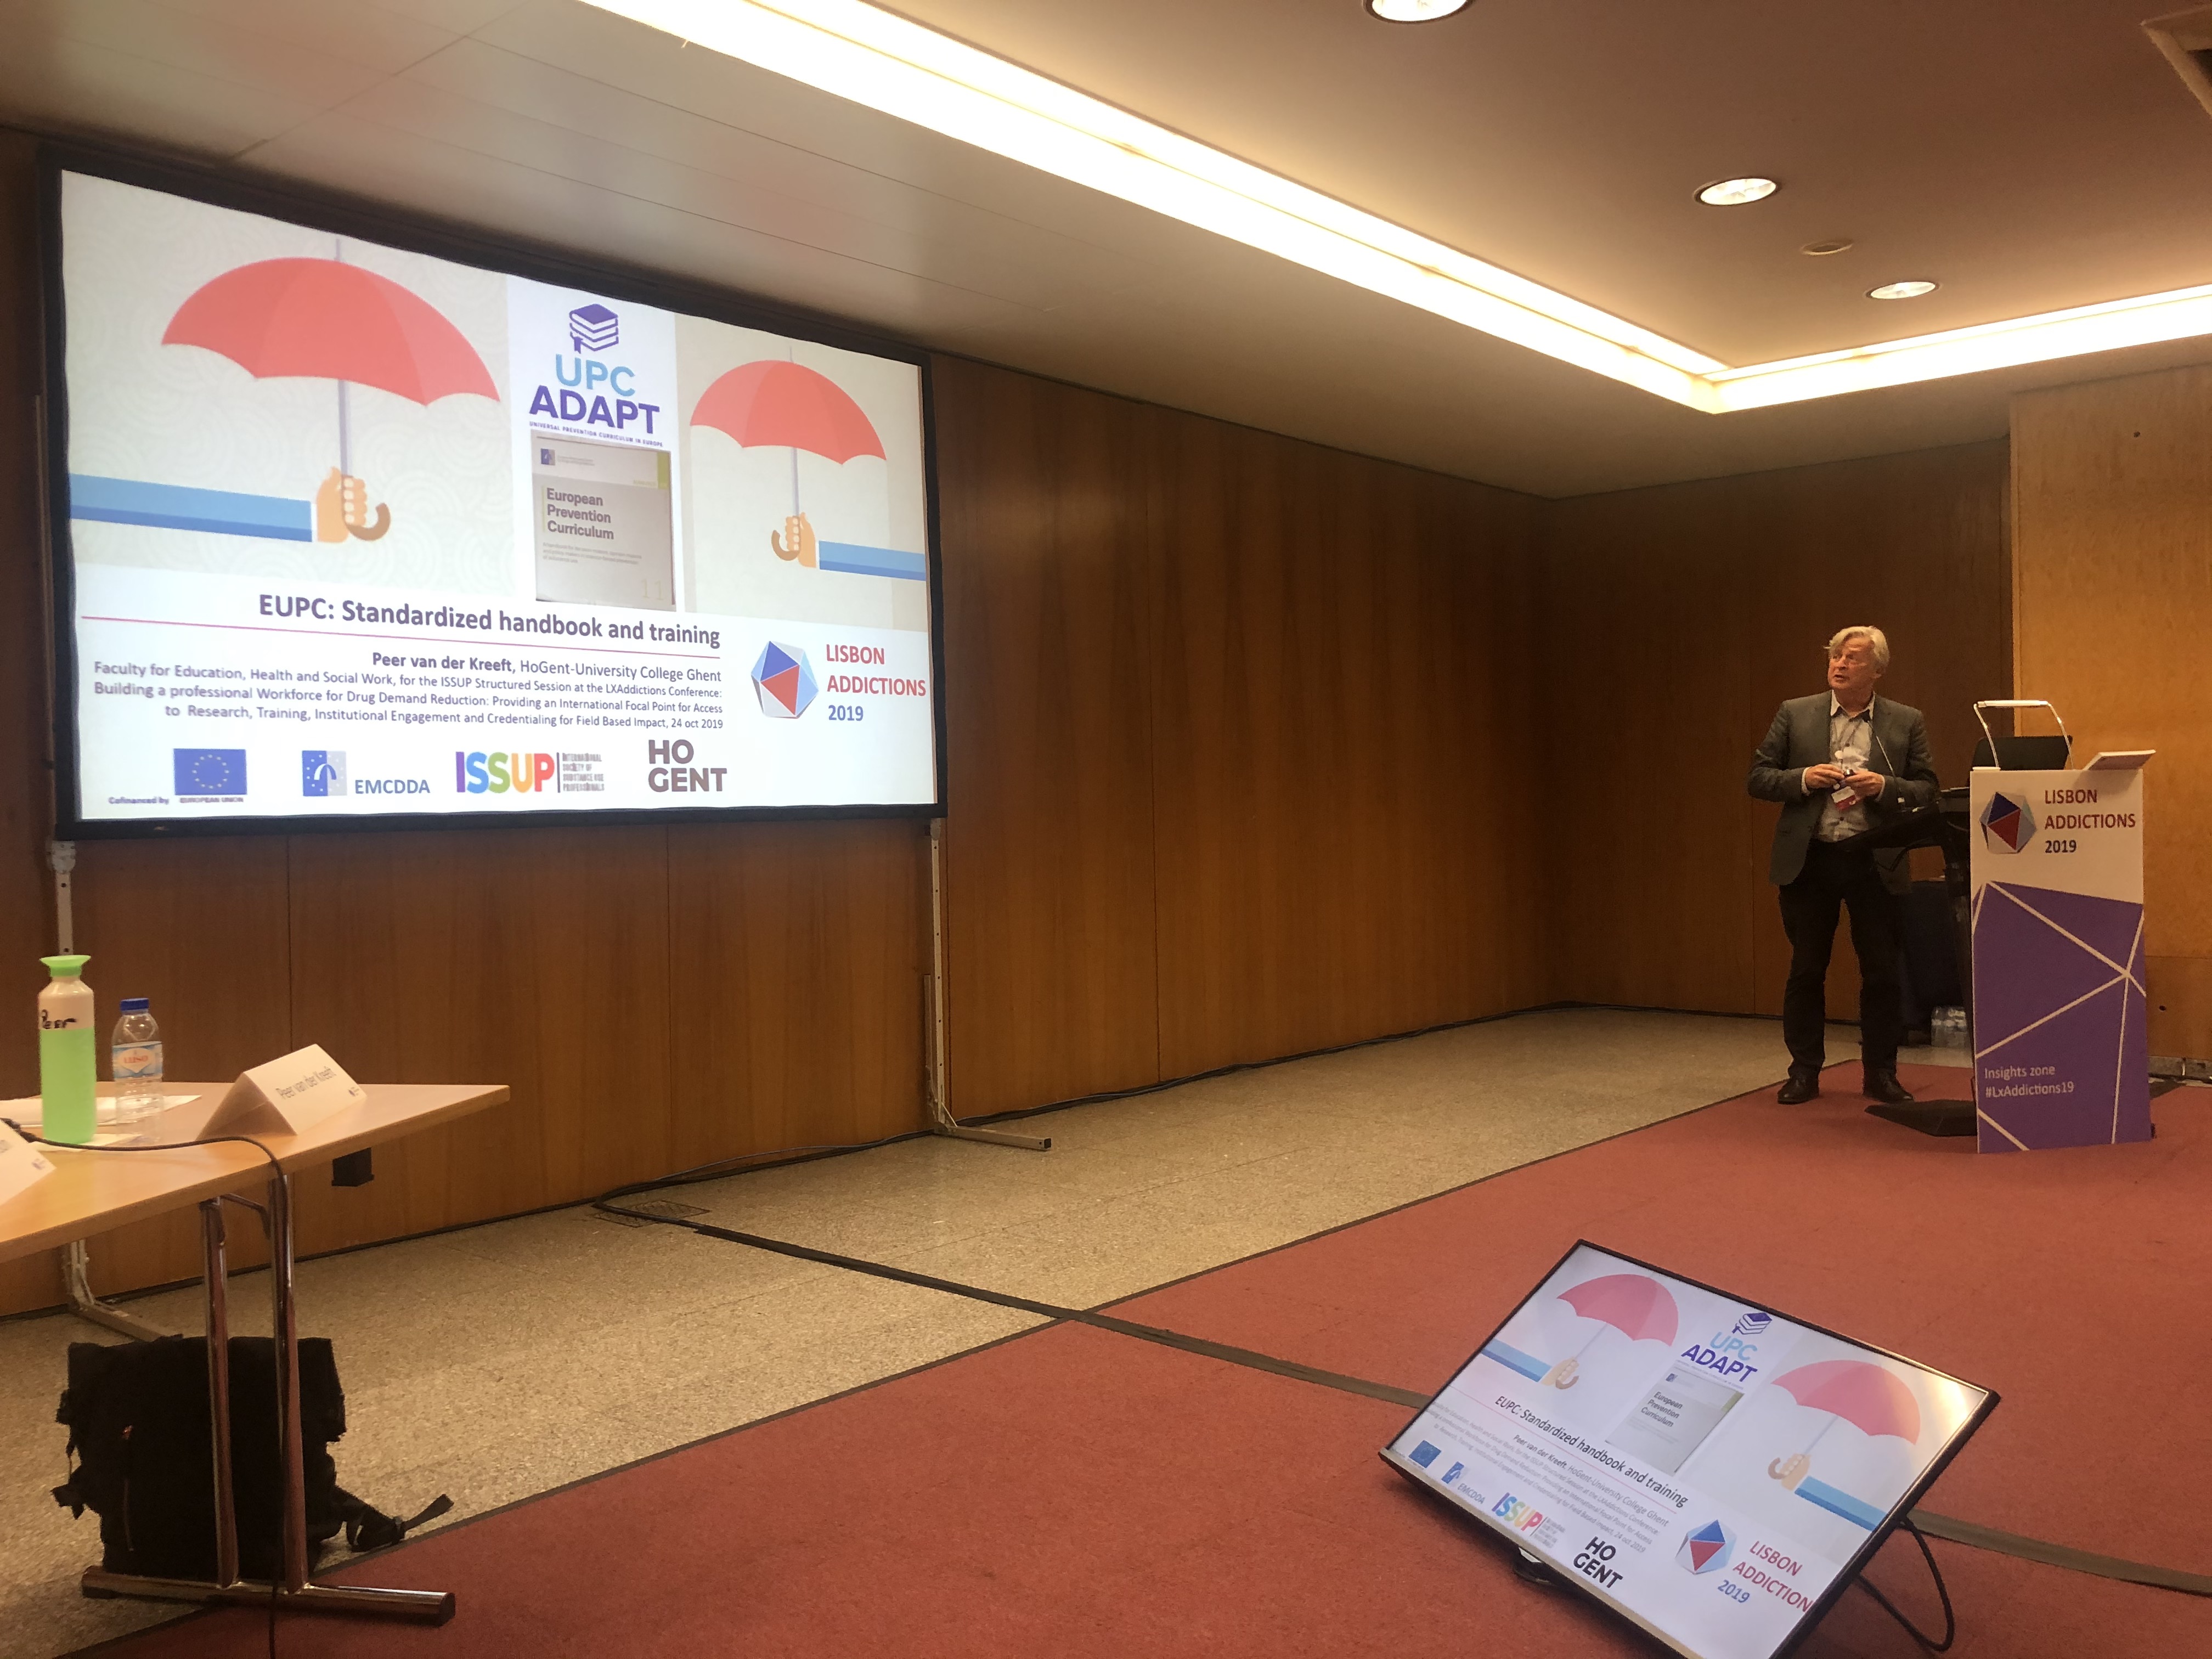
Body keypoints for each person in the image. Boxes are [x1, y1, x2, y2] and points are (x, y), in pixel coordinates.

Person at [1747, 627, 1938, 1105]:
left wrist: (1885, 787)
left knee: (1882, 973)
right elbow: (1759, 777)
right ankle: (1804, 1072)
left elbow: (1927, 788)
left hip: (1876, 859)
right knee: (1807, 969)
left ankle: (1881, 1073)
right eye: (1835, 656)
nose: (1840, 664)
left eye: (1853, 658)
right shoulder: (1796, 713)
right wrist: (1803, 778)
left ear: (1877, 670)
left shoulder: (1905, 720)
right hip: (1811, 859)